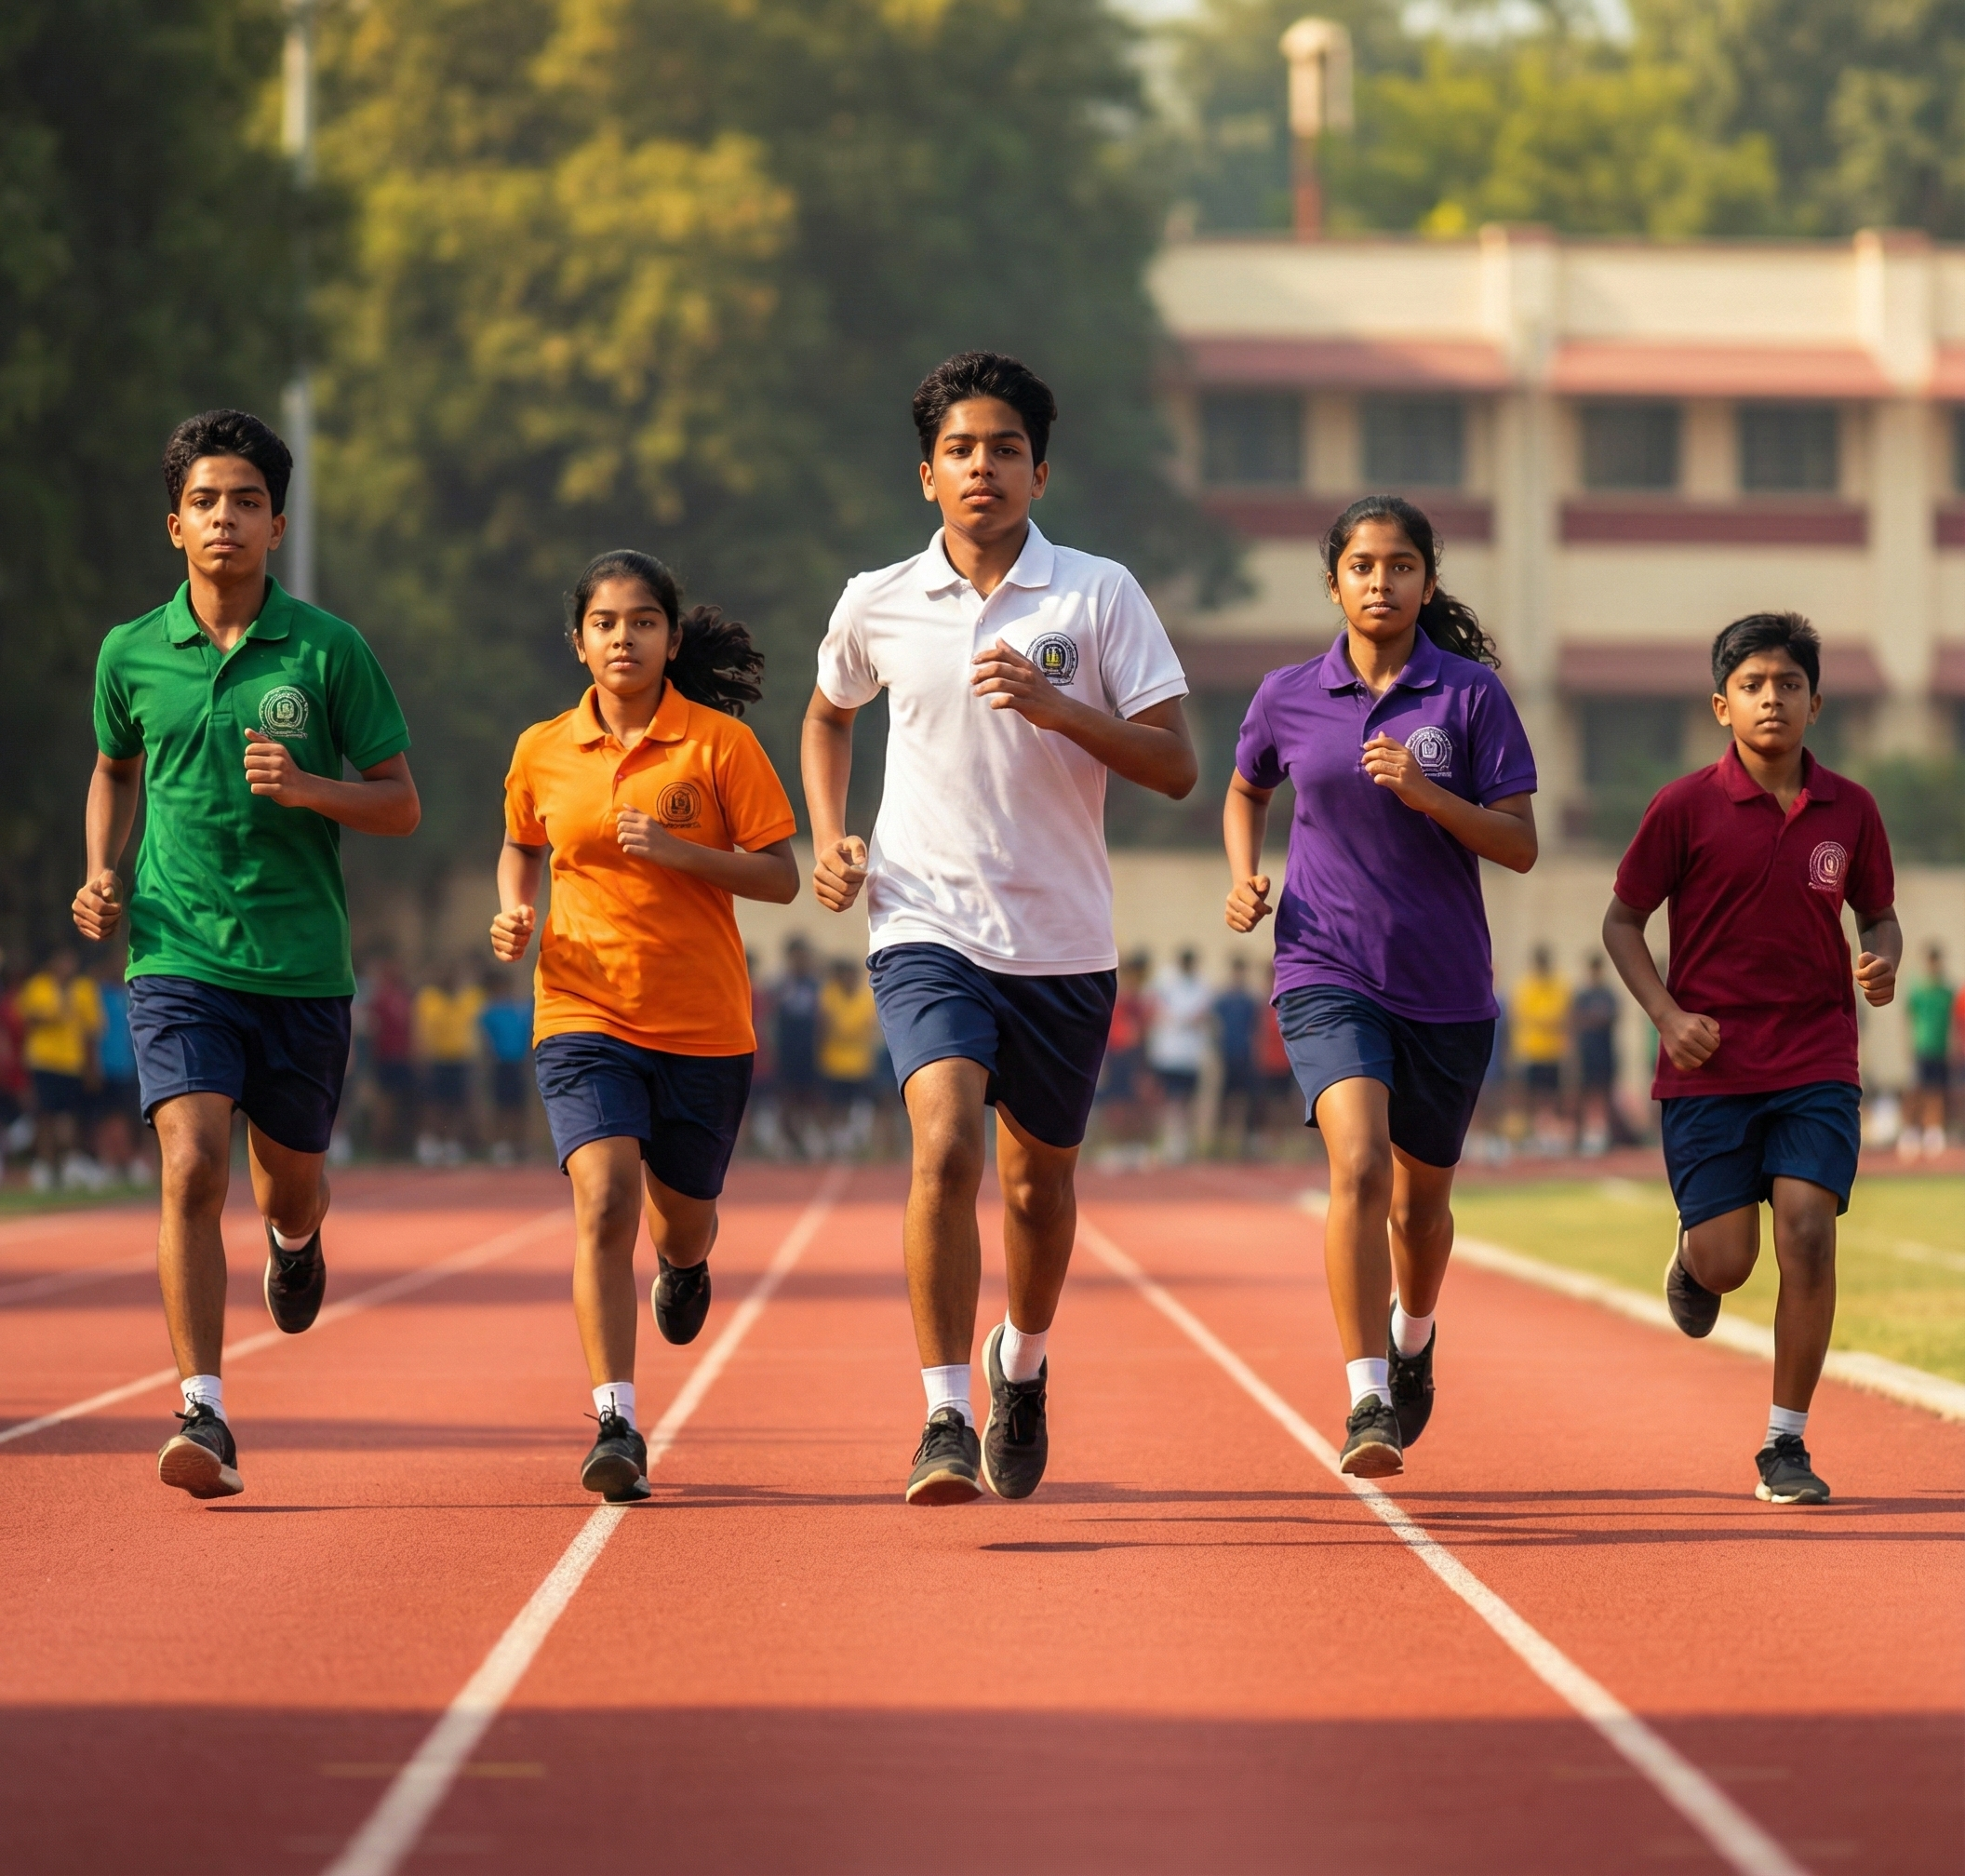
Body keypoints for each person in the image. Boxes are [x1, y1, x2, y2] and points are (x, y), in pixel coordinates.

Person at [803, 351, 1195, 1505]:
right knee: (944, 1144)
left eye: (1007, 449)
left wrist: (1062, 708)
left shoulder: (1099, 595)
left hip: (1065, 937)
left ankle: (1020, 1361)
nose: (985, 468)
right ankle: (941, 1411)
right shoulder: (877, 598)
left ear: (1040, 471)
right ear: (928, 474)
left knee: (1037, 1189)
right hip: (924, 918)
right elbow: (828, 715)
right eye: (963, 450)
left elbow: (1176, 765)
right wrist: (829, 835)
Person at [73, 409, 419, 1498]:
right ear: (174, 524)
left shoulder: (329, 651)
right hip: (175, 953)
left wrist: (313, 787)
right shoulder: (131, 651)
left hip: (302, 966)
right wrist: (102, 870)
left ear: (278, 524)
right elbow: (116, 767)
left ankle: (296, 1239)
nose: (227, 519)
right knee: (189, 1165)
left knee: (291, 1181)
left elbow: (401, 805)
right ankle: (204, 1408)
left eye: (248, 503)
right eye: (207, 502)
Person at [1223, 493, 1538, 1478]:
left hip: (1445, 985)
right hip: (1325, 964)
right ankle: (1367, 1394)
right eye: (1362, 566)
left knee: (1420, 1209)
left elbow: (1521, 846)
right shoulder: (1287, 693)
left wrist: (1427, 792)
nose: (1381, 582)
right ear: (1333, 582)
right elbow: (1246, 786)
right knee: (1358, 1166)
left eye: (1401, 566)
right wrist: (1244, 875)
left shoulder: (1472, 697)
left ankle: (1414, 1334)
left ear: (1427, 582)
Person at [492, 548, 797, 1502]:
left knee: (682, 1217)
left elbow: (782, 875)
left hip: (704, 1025)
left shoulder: (718, 746)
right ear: (579, 642)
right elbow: (519, 843)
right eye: (605, 623)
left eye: (643, 622)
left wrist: (679, 852)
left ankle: (687, 1260)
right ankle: (616, 1419)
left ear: (671, 637)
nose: (624, 638)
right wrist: (514, 908)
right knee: (604, 1195)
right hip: (581, 1009)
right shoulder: (541, 747)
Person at [1603, 611, 1899, 1508]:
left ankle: (1785, 1444)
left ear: (1816, 702)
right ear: (1721, 706)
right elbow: (1622, 922)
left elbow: (1875, 912)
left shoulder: (1850, 808)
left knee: (1808, 1229)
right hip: (1711, 1064)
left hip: (1815, 1054)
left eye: (1791, 685)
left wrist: (1881, 956)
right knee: (1731, 1262)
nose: (1774, 698)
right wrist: (1666, 1014)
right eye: (1754, 685)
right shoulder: (1684, 806)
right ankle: (1693, 1262)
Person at [19, 948, 104, 1190]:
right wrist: (52, 1015)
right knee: (45, 1115)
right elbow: (27, 1017)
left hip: (71, 1062)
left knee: (68, 1116)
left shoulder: (84, 989)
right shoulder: (39, 986)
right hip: (44, 1060)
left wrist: (92, 1066)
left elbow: (93, 1029)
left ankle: (69, 1164)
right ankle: (45, 1166)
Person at [1146, 947, 1212, 1163]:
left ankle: (1182, 1145)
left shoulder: (1201, 984)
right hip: (1168, 1053)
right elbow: (1155, 1006)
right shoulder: (1165, 980)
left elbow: (1201, 1014)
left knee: (1186, 1102)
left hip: (1189, 1056)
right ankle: (1169, 1144)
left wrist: (1181, 1018)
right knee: (1169, 1102)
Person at [413, 961, 483, 1163]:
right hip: (436, 1059)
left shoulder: (468, 998)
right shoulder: (428, 998)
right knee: (434, 1104)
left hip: (460, 1059)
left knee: (458, 1105)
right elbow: (420, 1030)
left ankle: (452, 1143)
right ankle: (430, 1142)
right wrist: (420, 1056)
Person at [91, 953, 147, 1183]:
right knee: (108, 1117)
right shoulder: (98, 994)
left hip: (130, 1065)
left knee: (133, 1116)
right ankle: (109, 1161)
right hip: (106, 1065)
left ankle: (133, 1160)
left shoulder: (130, 994)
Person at [818, 956, 880, 1155]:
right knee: (834, 1106)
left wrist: (844, 1031)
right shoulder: (829, 995)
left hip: (860, 1064)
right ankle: (834, 1142)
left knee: (860, 1107)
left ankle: (855, 1142)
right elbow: (827, 1027)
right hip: (834, 1062)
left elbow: (866, 1028)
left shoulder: (865, 998)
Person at [1511, 945, 1570, 1153]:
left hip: (1552, 1051)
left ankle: (1548, 1133)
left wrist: (1543, 1018)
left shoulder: (1558, 984)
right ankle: (1534, 1133)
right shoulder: (1525, 986)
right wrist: (1546, 1018)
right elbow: (1525, 1014)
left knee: (1551, 1095)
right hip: (1531, 1050)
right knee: (1532, 1096)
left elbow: (1560, 1012)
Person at [478, 969, 534, 1165]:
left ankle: (519, 1144)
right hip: (500, 1064)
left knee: (519, 1107)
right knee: (501, 1107)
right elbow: (485, 1039)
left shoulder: (521, 1008)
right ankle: (501, 1144)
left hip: (518, 1063)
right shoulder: (490, 1011)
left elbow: (528, 1034)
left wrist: (529, 1058)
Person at [773, 937, 822, 1159]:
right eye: (796, 957)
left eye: (804, 956)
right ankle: (787, 1141)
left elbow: (822, 1020)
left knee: (809, 1098)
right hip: (786, 1051)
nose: (800, 961)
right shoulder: (780, 986)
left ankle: (807, 1139)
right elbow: (772, 1020)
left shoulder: (815, 985)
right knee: (787, 1098)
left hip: (809, 1051)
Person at [1904, 944, 1953, 1158]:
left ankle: (1934, 1133)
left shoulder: (1947, 992)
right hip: (1921, 1047)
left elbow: (1952, 1023)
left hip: (1940, 1048)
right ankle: (1911, 1133)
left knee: (1937, 1091)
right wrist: (1908, 1046)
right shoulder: (1918, 991)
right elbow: (1908, 1020)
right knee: (1917, 1090)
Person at [1570, 955, 1621, 1157]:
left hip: (1605, 1053)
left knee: (1605, 1094)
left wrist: (1593, 1018)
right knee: (1585, 1094)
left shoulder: (1609, 994)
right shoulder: (1582, 996)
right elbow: (1576, 1020)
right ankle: (1583, 1136)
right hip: (1587, 1053)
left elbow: (1611, 1017)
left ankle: (1603, 1134)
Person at [1212, 955, 1261, 1159]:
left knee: (1245, 1100)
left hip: (1245, 1055)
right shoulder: (1223, 1000)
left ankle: (1242, 1143)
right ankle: (1219, 1143)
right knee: (1224, 1100)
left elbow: (1256, 1028)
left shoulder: (1250, 1001)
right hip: (1227, 1055)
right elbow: (1215, 1025)